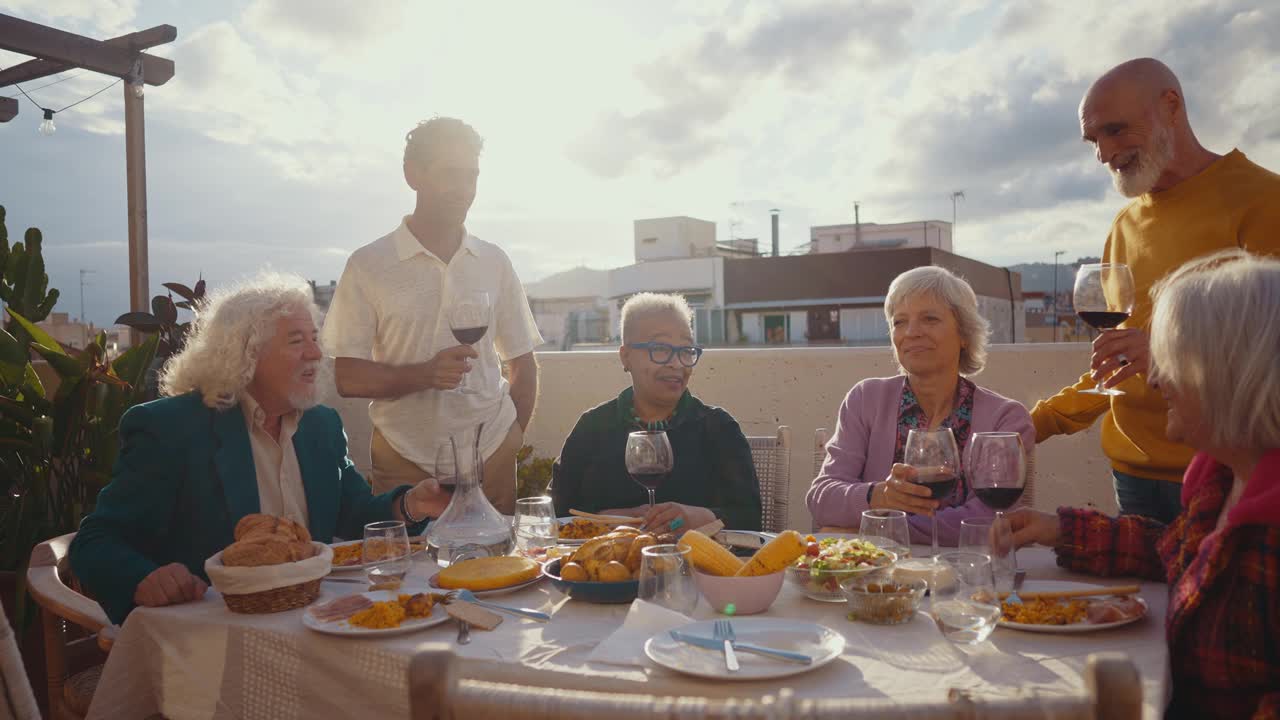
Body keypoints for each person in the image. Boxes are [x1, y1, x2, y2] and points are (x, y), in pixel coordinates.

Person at [70, 274, 450, 624]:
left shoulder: (321, 425)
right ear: (245, 354)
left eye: (315, 339)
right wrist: (143, 578)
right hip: (215, 631)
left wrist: (412, 505)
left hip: (313, 619)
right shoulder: (171, 429)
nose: (316, 354)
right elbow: (95, 542)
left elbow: (350, 512)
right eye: (296, 341)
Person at [1009, 250, 1280, 720]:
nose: (1153, 379)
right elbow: (1170, 553)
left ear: (1233, 373)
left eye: (1171, 359)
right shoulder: (1221, 480)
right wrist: (1058, 529)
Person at [1032, 58, 1280, 524]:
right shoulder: (1123, 227)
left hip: (1223, 473)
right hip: (1131, 476)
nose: (1104, 153)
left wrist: (1171, 354)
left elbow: (1271, 360)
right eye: (1094, 140)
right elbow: (1117, 363)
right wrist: (1033, 425)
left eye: (1116, 131)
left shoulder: (1266, 202)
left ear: (1171, 106)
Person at [321, 117, 542, 514]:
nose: (463, 190)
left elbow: (522, 361)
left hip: (491, 454)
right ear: (413, 175)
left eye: (471, 176)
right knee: (409, 575)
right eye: (450, 175)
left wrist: (511, 437)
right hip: (405, 460)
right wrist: (425, 375)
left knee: (501, 572)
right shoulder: (368, 264)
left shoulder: (494, 260)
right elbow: (348, 376)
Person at [806, 266, 1034, 545]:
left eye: (929, 319)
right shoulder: (865, 398)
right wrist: (878, 495)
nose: (911, 332)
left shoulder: (1006, 418)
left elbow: (989, 519)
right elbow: (822, 497)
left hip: (972, 575)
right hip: (881, 580)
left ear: (964, 333)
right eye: (899, 322)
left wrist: (879, 528)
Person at [551, 293, 761, 532]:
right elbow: (557, 513)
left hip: (693, 566)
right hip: (606, 564)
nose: (678, 364)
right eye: (660, 348)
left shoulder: (717, 428)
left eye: (686, 350)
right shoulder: (593, 427)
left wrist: (695, 518)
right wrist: (608, 520)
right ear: (626, 356)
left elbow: (750, 517)